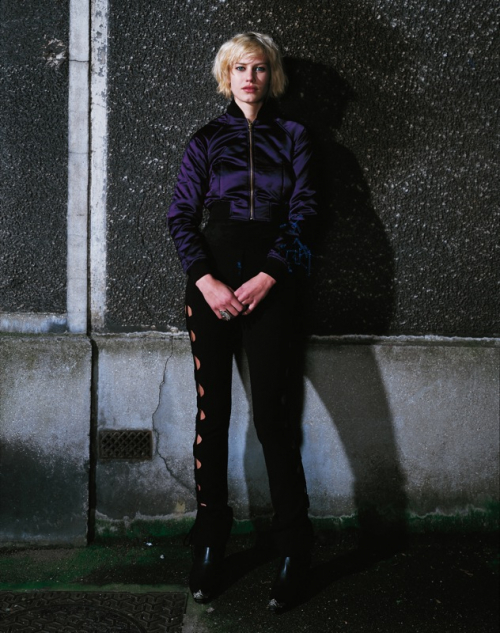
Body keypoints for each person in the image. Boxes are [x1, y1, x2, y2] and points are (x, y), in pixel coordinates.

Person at [168, 32, 317, 611]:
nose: (249, 78)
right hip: (212, 286)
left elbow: (306, 213)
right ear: (225, 76)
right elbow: (181, 216)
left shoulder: (295, 136)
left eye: (259, 68)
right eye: (239, 69)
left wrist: (269, 276)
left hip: (270, 288)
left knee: (273, 419)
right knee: (214, 414)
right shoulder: (206, 139)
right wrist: (207, 281)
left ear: (271, 75)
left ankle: (294, 547)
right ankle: (210, 540)